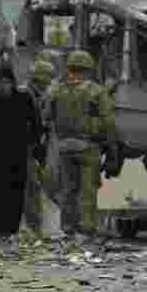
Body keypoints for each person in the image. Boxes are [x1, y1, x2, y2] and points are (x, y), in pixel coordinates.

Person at [44, 49, 115, 243]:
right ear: (89, 68)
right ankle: (86, 230)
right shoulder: (96, 91)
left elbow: (47, 116)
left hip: (65, 146)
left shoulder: (56, 89)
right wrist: (112, 148)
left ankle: (68, 229)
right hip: (88, 146)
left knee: (68, 189)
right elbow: (109, 122)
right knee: (88, 189)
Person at [0, 65, 42, 238]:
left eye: (6, 83)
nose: (3, 87)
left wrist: (33, 143)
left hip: (18, 151)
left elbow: (36, 122)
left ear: (12, 83)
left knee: (16, 189)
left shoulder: (23, 98)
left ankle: (12, 227)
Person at [22, 57, 55, 235]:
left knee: (34, 188)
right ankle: (34, 229)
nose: (48, 84)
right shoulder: (24, 94)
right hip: (24, 148)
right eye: (47, 80)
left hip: (34, 148)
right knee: (31, 188)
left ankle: (33, 228)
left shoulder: (41, 95)